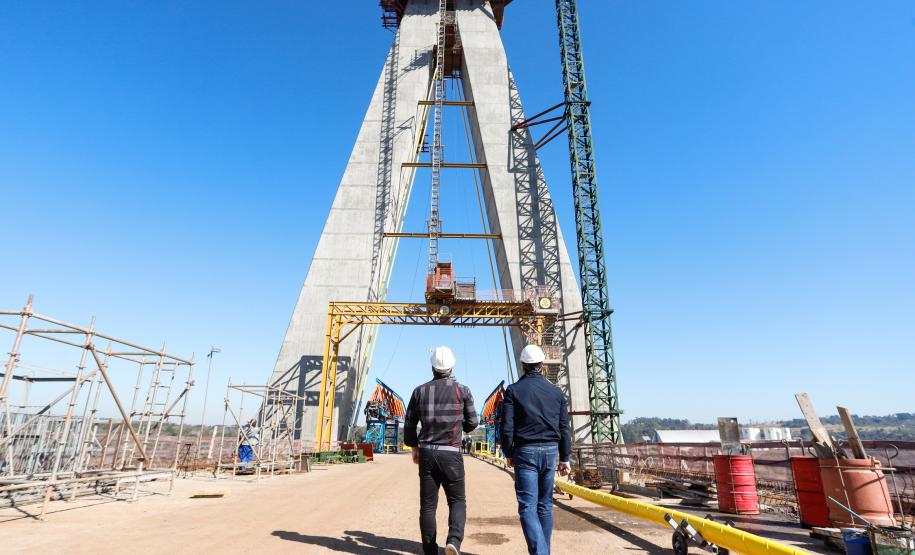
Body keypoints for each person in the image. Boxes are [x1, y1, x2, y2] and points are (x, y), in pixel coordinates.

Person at [404, 345, 478, 555]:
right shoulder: (462, 390)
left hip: (427, 452)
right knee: (457, 501)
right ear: (452, 366)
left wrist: (414, 448)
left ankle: (430, 551)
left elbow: (409, 423)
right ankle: (453, 540)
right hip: (452, 453)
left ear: (432, 366)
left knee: (428, 506)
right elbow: (473, 422)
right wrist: (457, 426)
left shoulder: (419, 391)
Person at [501, 345, 572, 555]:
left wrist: (508, 452)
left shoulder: (513, 391)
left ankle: (541, 553)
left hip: (525, 451)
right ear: (541, 365)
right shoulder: (557, 392)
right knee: (545, 505)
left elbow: (507, 427)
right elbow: (564, 428)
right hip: (551, 452)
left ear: (523, 365)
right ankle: (544, 551)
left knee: (527, 507)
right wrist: (565, 457)